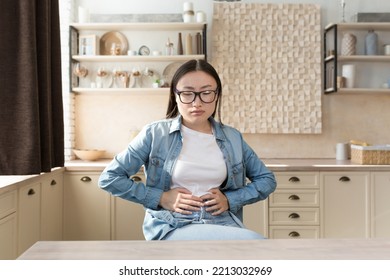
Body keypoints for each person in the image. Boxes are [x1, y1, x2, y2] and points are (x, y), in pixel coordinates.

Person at [98, 59, 277, 240]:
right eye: (187, 93)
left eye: (206, 93)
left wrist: (230, 200)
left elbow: (266, 180)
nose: (197, 103)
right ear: (175, 96)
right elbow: (109, 178)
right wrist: (161, 198)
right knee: (256, 243)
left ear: (217, 95)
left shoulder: (233, 137)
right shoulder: (155, 133)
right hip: (172, 225)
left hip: (223, 223)